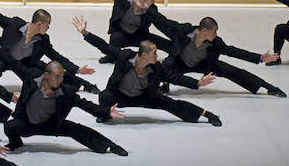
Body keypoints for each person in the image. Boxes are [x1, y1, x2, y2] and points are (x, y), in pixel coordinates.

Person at [0, 35, 128, 157]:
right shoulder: (31, 78)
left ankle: (111, 146)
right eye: (56, 77)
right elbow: (13, 63)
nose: (60, 80)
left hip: (51, 125)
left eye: (62, 77)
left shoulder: (66, 92)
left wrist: (106, 111)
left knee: (78, 130)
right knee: (9, 126)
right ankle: (16, 142)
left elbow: (86, 105)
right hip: (27, 123)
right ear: (46, 75)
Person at [71, 16, 222, 126]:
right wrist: (85, 33)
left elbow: (174, 77)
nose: (157, 56)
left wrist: (197, 83)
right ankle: (106, 115)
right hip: (121, 97)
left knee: (172, 103)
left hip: (145, 97)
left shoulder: (156, 68)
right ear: (143, 55)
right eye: (154, 53)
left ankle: (207, 115)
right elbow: (105, 46)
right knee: (105, 96)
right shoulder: (124, 57)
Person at [146, 11, 287, 97]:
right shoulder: (183, 31)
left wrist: (260, 58)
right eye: (214, 31)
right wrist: (146, 9)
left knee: (234, 71)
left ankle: (269, 88)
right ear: (205, 31)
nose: (216, 34)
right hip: (180, 63)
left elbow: (233, 51)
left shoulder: (216, 43)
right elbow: (164, 22)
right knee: (165, 65)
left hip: (203, 64)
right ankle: (164, 85)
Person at [73, 0, 171, 64]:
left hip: (140, 36)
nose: (154, 1)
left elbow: (162, 24)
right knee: (114, 38)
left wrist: (143, 9)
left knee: (165, 44)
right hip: (122, 35)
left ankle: (177, 55)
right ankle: (111, 55)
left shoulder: (152, 9)